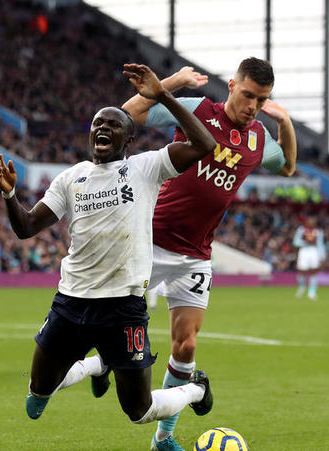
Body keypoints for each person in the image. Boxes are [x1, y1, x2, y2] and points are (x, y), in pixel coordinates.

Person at [0, 64, 216, 428]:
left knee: (138, 410)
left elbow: (204, 145)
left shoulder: (146, 168)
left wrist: (162, 94)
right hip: (71, 303)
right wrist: (10, 195)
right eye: (98, 123)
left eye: (113, 124)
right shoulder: (71, 178)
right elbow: (27, 226)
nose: (103, 128)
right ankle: (100, 362)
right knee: (36, 395)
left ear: (128, 139)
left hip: (123, 307)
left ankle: (195, 389)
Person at [117, 57, 297, 451]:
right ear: (231, 85)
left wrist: (284, 122)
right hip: (150, 241)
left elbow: (286, 167)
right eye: (248, 95)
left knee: (187, 346)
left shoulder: (258, 139)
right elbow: (128, 114)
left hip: (196, 255)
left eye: (261, 99)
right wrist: (173, 83)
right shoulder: (198, 110)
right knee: (118, 331)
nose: (252, 106)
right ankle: (97, 366)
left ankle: (162, 438)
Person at [293, 216, 325, 300]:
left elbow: (320, 244)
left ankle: (312, 292)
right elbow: (296, 242)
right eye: (310, 221)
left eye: (313, 221)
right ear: (306, 222)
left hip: (314, 251)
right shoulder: (301, 230)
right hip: (304, 251)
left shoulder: (318, 231)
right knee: (302, 271)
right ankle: (301, 288)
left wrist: (322, 256)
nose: (311, 223)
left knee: (313, 271)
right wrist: (305, 242)